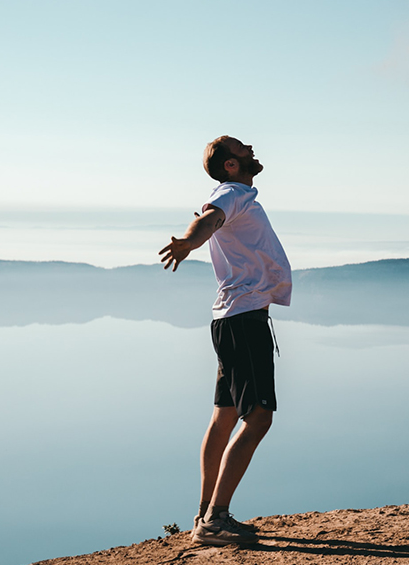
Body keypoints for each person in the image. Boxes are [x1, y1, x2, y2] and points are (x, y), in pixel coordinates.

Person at [158, 135, 292, 545]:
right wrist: (190, 241)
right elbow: (208, 220)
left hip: (234, 318)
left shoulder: (238, 196)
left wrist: (196, 237)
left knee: (226, 416)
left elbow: (212, 220)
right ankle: (215, 521)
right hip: (244, 320)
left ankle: (206, 513)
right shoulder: (231, 193)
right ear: (231, 165)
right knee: (259, 417)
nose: (250, 148)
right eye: (241, 147)